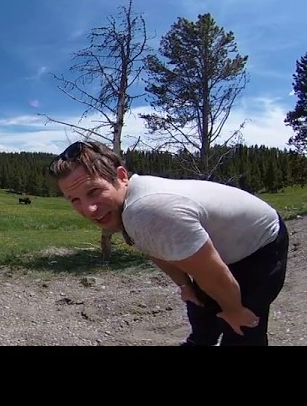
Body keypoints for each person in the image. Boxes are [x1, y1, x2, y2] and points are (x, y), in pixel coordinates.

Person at [47, 140, 289, 346]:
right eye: (74, 200)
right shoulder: (129, 205)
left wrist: (234, 310)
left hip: (260, 243)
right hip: (224, 242)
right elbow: (154, 246)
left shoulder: (147, 210)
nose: (88, 209)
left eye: (94, 191)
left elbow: (214, 273)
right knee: (200, 303)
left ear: (121, 176)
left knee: (242, 328)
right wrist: (185, 284)